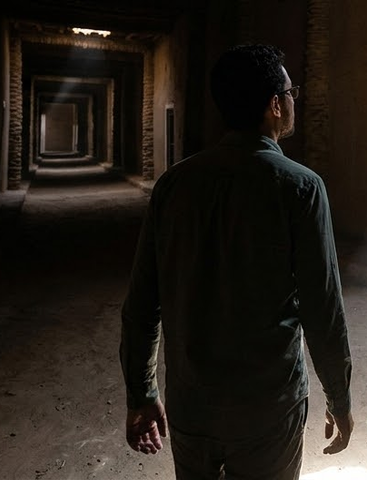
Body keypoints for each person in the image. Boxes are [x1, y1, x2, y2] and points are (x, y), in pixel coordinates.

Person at [120, 44, 353, 480]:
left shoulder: (174, 185)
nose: (292, 101)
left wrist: (142, 391)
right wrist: (339, 399)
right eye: (291, 93)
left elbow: (142, 304)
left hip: (192, 406)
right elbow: (323, 309)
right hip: (267, 409)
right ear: (274, 105)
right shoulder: (300, 188)